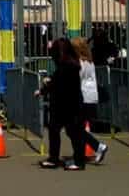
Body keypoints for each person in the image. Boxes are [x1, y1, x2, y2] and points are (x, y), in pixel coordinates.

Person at [37, 38, 86, 170]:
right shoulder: (70, 64)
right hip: (67, 104)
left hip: (68, 104)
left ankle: (78, 161)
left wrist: (45, 88)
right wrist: (46, 87)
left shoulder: (67, 66)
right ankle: (56, 159)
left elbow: (58, 83)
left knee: (73, 132)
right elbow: (57, 80)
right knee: (57, 130)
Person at [71, 37, 108, 164]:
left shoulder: (79, 63)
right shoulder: (89, 61)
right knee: (77, 128)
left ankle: (96, 147)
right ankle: (87, 150)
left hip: (84, 97)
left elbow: (76, 80)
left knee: (76, 128)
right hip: (91, 96)